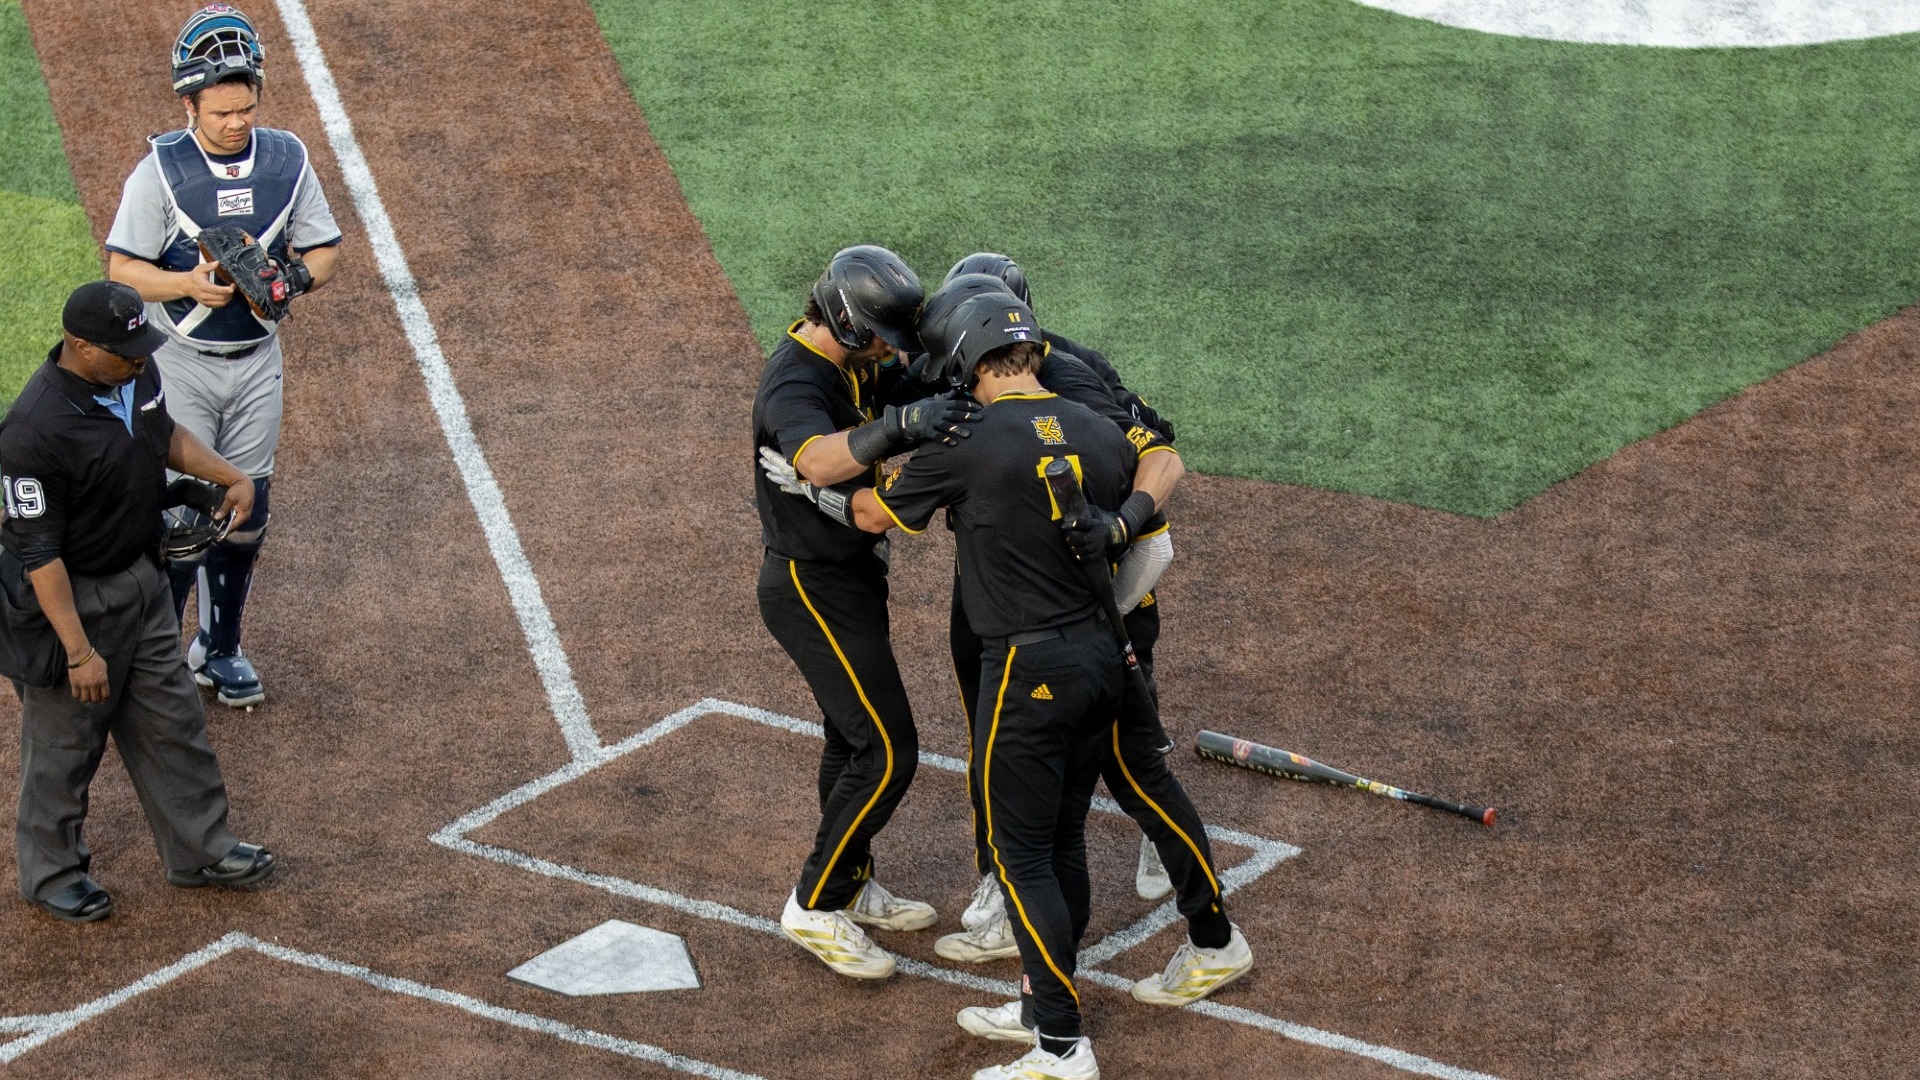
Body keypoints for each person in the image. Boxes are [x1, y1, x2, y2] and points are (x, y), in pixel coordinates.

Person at [835, 291, 1150, 1080]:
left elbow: (875, 515)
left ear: (971, 363)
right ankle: (1041, 1007)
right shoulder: (1103, 433)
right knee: (1065, 840)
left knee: (1023, 860)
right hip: (1103, 661)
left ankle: (1061, 1048)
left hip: (1025, 671)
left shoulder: (968, 440)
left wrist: (821, 488)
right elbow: (1146, 495)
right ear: (1032, 355)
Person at [2, 281, 276, 924]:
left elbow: (162, 431)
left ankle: (200, 851)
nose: (138, 358)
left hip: (143, 582)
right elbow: (40, 557)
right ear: (80, 347)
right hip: (70, 604)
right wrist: (78, 653)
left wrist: (227, 475)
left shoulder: (133, 366)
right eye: (124, 351)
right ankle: (51, 874)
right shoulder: (32, 432)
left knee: (174, 723)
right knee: (65, 748)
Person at [752, 244, 983, 978]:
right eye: (882, 338)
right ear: (851, 327)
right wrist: (905, 426)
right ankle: (814, 904)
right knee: (887, 750)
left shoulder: (846, 365)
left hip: (847, 582)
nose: (890, 353)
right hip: (811, 588)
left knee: (848, 743)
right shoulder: (792, 384)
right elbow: (819, 461)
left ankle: (850, 885)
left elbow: (901, 380)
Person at [105, 3, 343, 709]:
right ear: (189, 103)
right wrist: (186, 285)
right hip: (180, 362)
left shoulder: (287, 160)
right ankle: (157, 662)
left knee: (251, 508)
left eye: (245, 108)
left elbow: (324, 250)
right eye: (221, 112)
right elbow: (121, 268)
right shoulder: (161, 173)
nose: (237, 122)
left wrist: (294, 277)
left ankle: (220, 647)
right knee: (180, 512)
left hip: (257, 361)